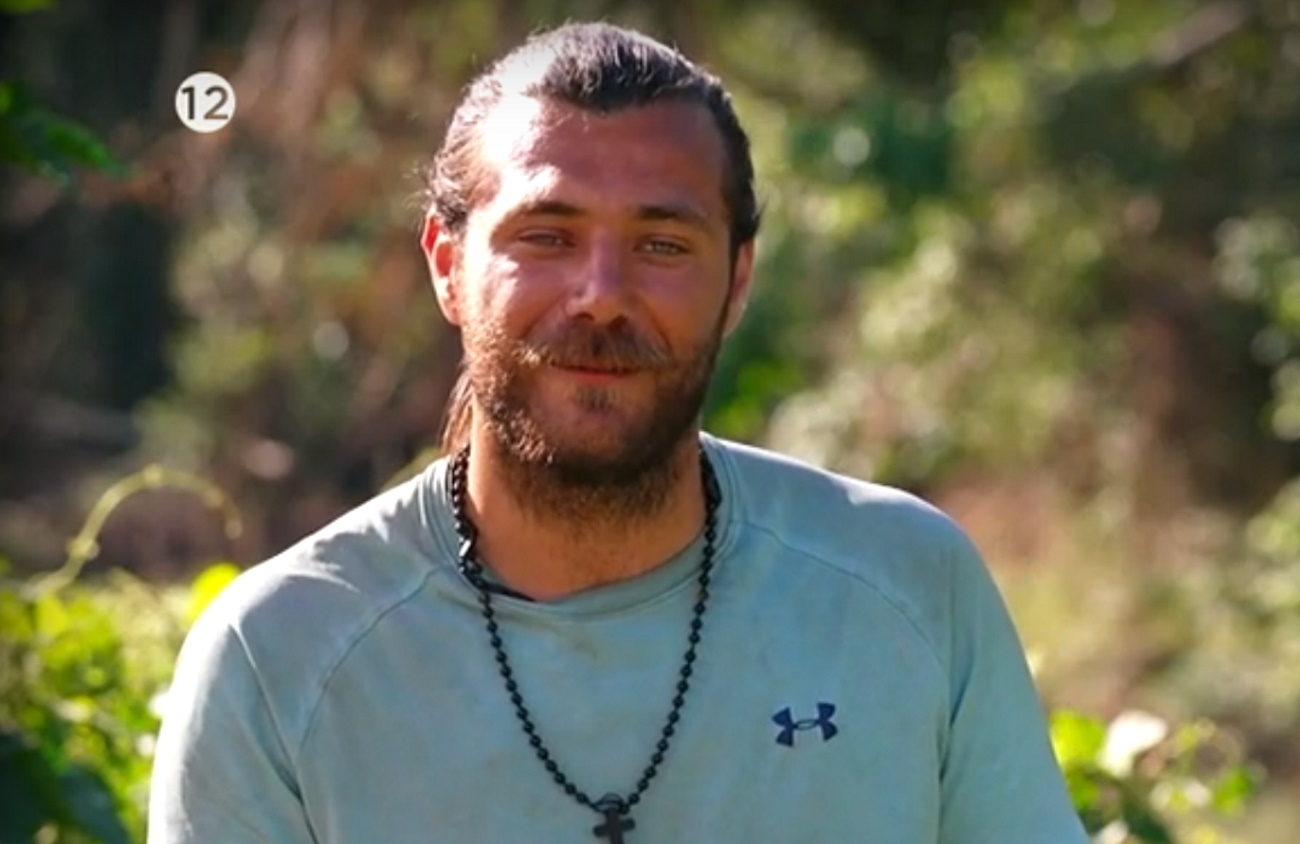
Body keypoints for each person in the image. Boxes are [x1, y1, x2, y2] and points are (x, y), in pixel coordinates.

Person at [148, 21, 1089, 844]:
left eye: (662, 245)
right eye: (546, 236)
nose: (601, 296)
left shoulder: (905, 588)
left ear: (738, 280)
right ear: (446, 264)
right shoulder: (279, 657)